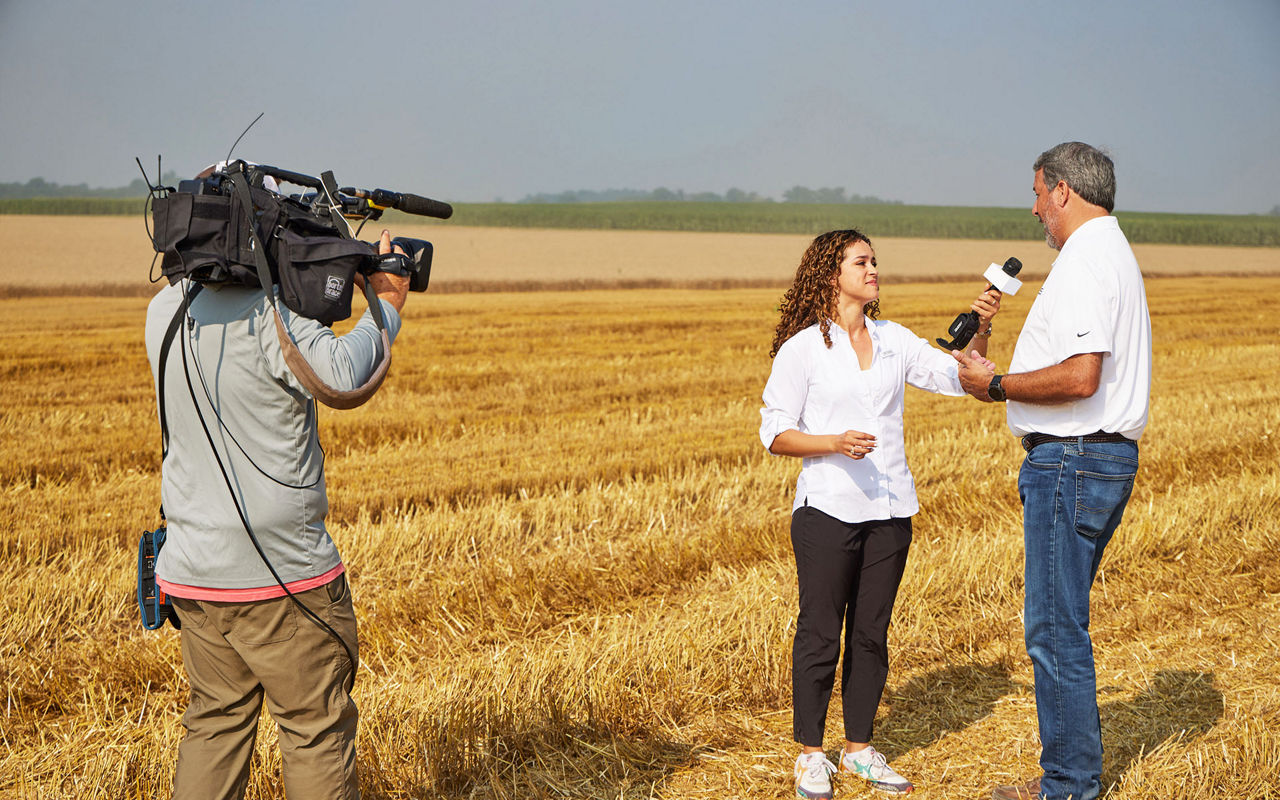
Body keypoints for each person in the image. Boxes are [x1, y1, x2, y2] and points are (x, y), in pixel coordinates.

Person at [145, 210, 412, 800]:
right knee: (316, 729)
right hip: (282, 579)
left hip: (193, 574)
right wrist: (386, 300)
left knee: (214, 724)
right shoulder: (272, 316)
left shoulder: (164, 312)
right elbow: (343, 373)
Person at [759, 229, 1002, 799]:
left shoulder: (894, 339)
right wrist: (833, 442)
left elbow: (955, 377)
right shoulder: (803, 350)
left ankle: (861, 749)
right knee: (820, 633)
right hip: (826, 513)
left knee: (870, 634)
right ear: (831, 273)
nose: (873, 270)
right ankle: (811, 755)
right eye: (861, 262)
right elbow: (774, 432)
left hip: (892, 512)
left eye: (874, 261)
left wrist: (982, 323)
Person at [952, 142, 1152, 800]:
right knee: (1060, 621)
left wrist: (1002, 383)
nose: (1035, 207)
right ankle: (1070, 779)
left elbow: (1081, 375)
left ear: (1064, 190)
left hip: (1072, 458)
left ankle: (1067, 788)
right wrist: (984, 346)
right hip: (1091, 458)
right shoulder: (1104, 253)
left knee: (1054, 627)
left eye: (1039, 193)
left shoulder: (1090, 257)